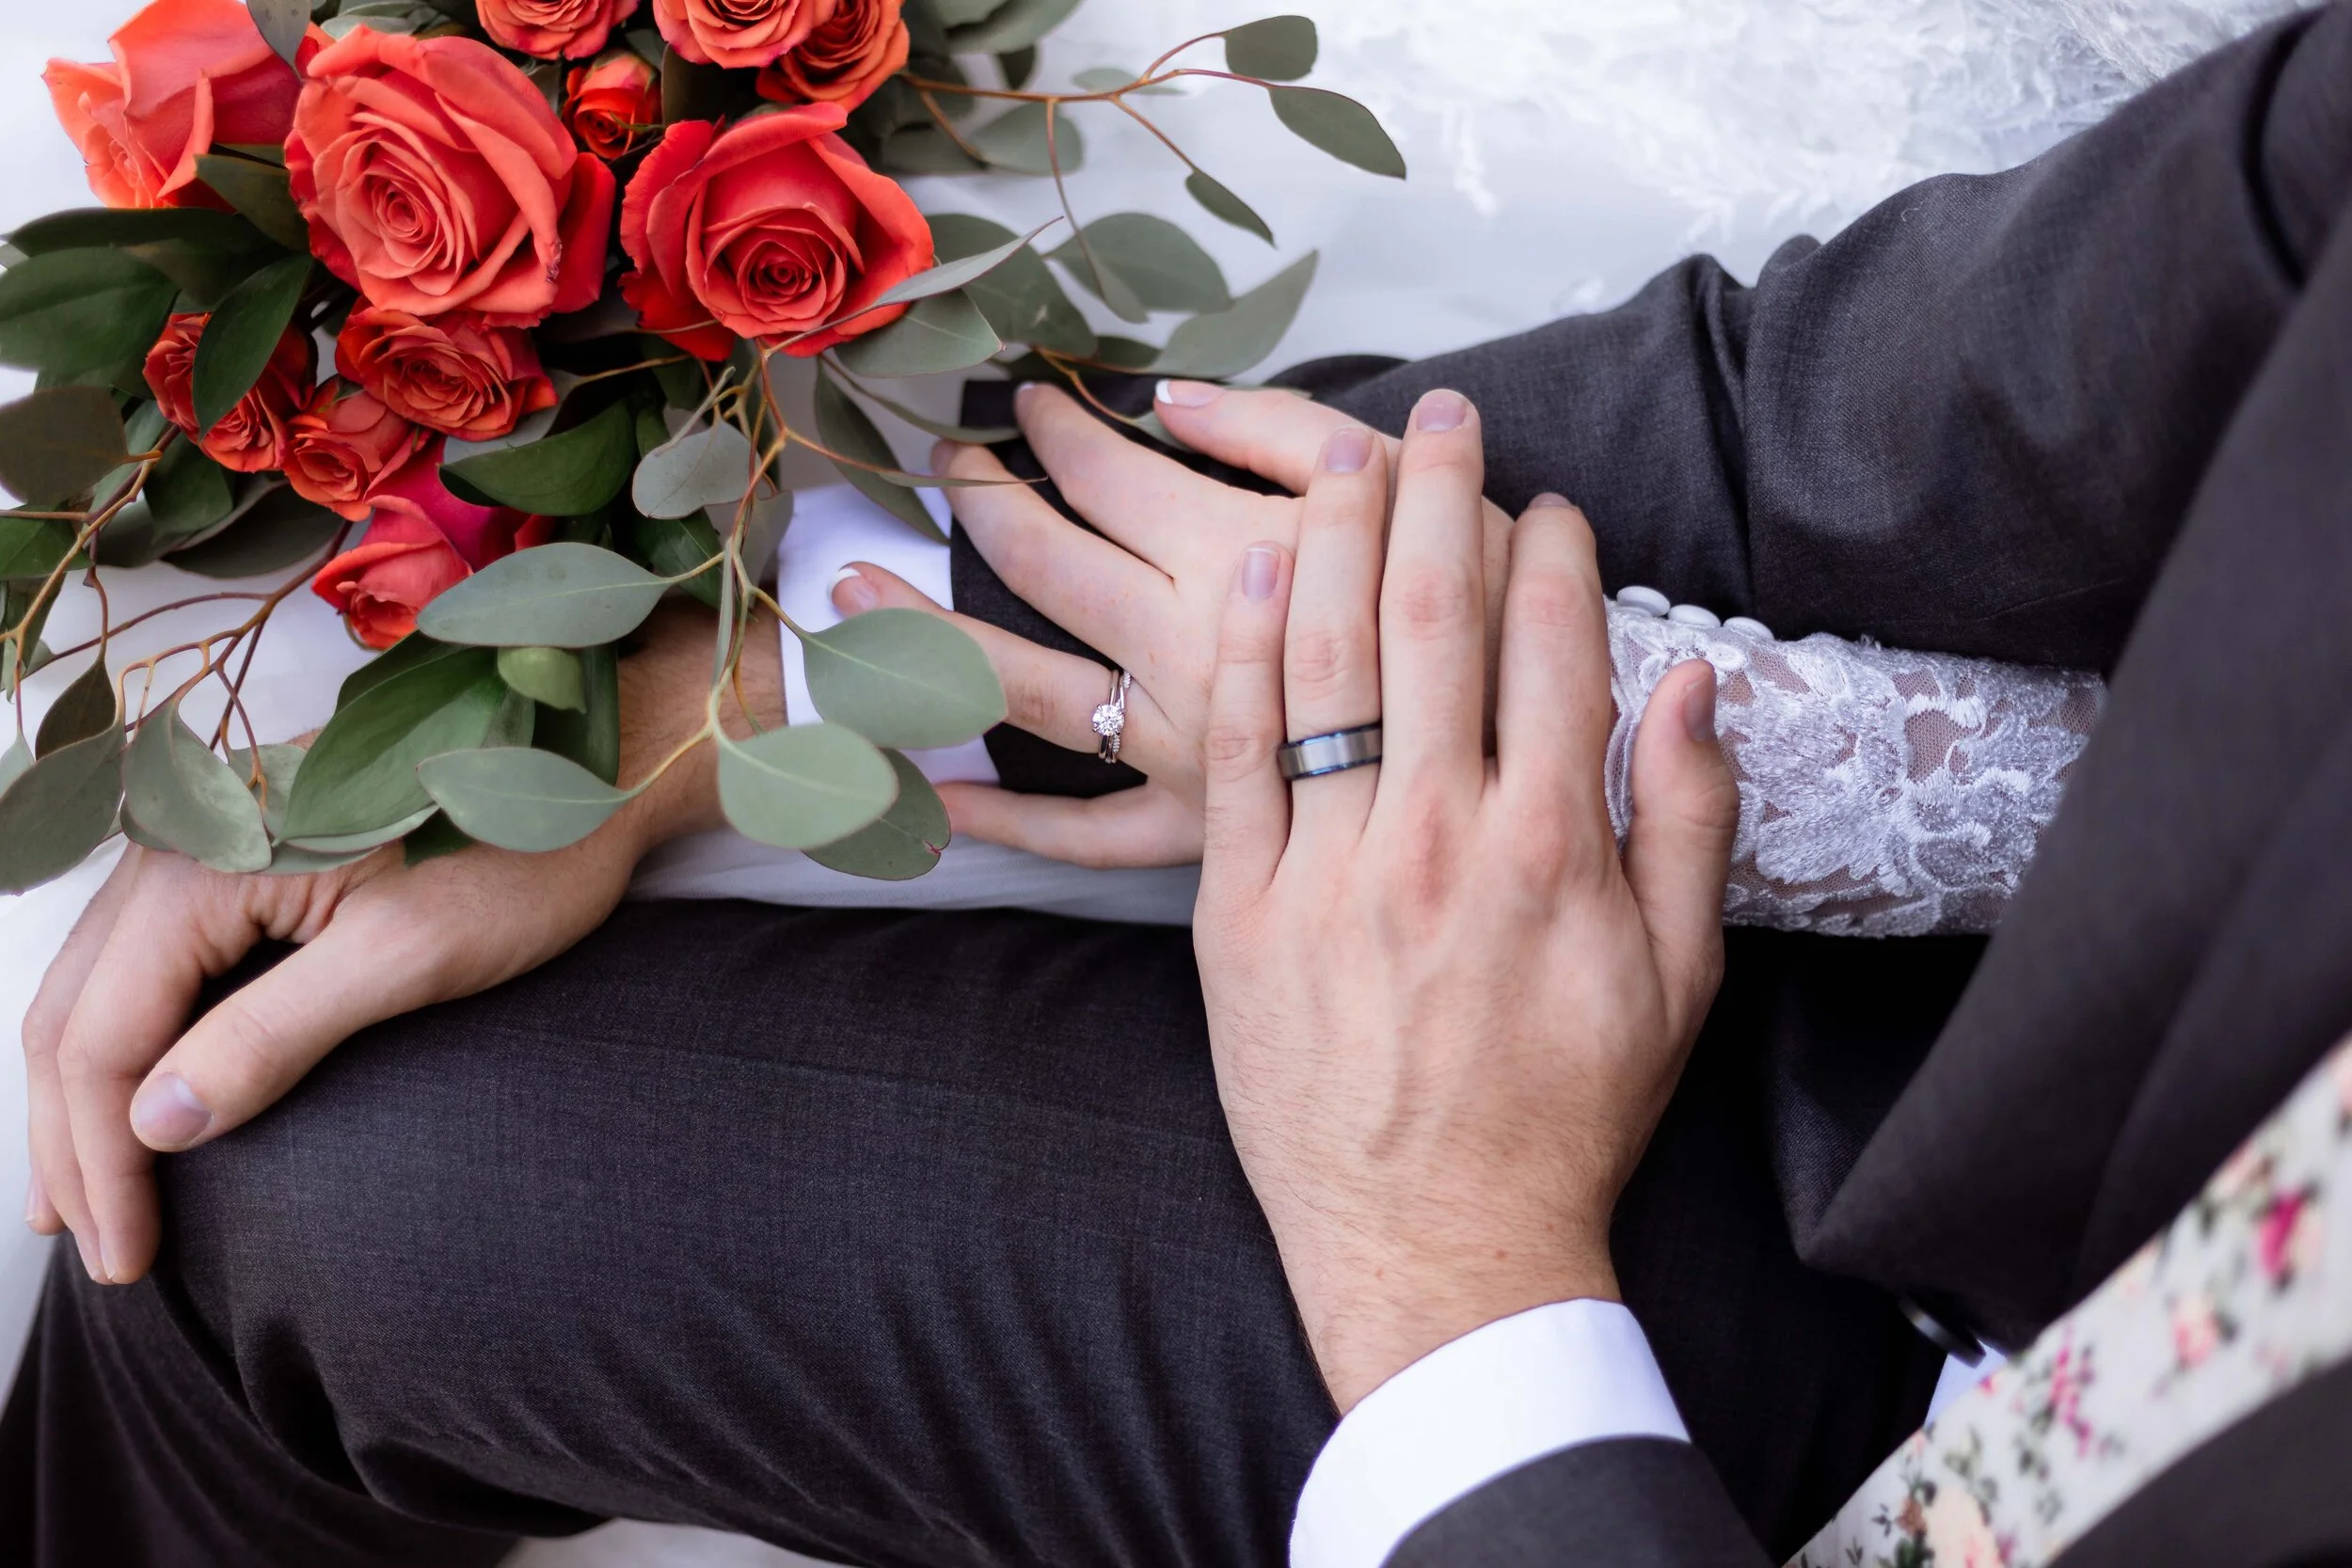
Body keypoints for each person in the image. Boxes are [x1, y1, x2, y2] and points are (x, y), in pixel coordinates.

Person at [6, 3, 2349, 1563]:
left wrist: (1449, 1279)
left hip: (1689, 1462)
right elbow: (1927, 401)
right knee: (289, 1193)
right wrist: (740, 686)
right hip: (1956, 1097)